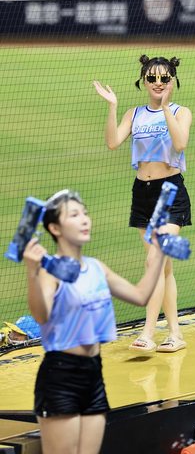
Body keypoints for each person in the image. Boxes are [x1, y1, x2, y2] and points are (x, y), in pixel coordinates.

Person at [22, 189, 166, 454]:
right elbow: (42, 316)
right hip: (61, 377)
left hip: (93, 374)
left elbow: (140, 295)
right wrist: (32, 273)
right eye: (74, 215)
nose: (84, 219)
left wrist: (158, 252)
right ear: (55, 228)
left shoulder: (96, 268)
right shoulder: (50, 272)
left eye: (85, 213)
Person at [93, 55, 192, 354]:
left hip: (169, 191)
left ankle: (148, 333)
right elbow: (113, 142)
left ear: (172, 81)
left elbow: (180, 144)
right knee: (163, 269)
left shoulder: (181, 112)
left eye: (164, 78)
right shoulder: (134, 114)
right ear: (144, 81)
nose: (158, 83)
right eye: (152, 78)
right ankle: (175, 333)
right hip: (143, 193)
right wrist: (112, 107)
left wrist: (165, 107)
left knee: (154, 262)